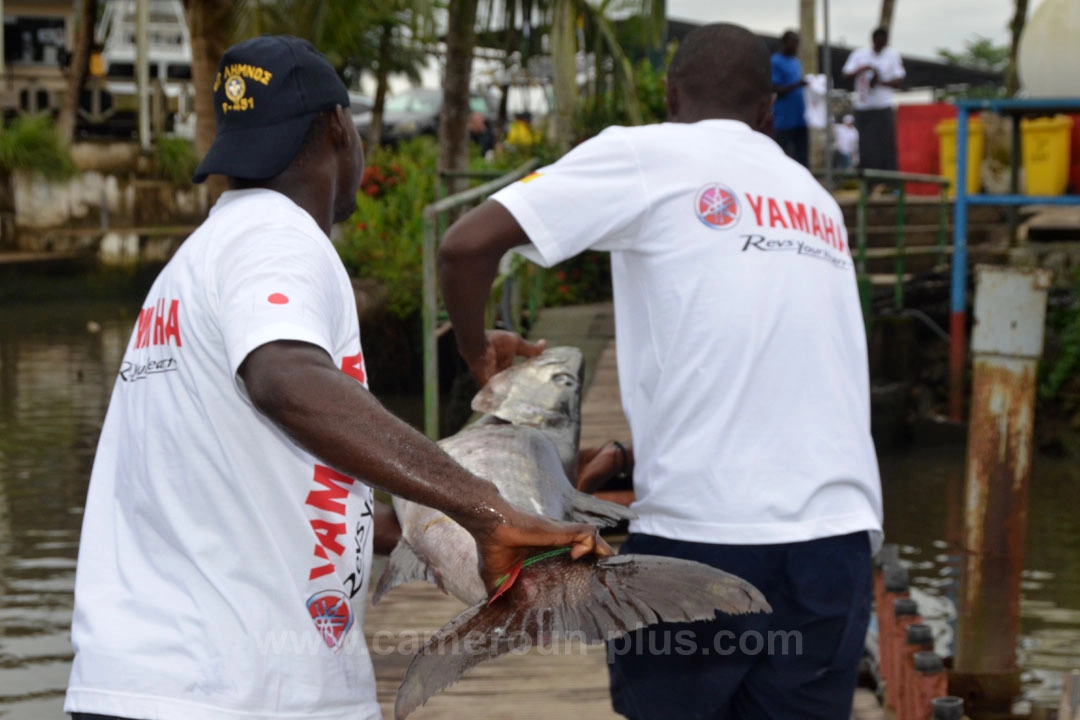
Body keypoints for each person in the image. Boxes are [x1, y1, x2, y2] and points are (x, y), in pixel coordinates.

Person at [63, 35, 609, 720]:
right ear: (338, 128)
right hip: (238, 693)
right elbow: (284, 381)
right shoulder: (278, 236)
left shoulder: (196, 261)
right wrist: (483, 506)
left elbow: (274, 478)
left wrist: (427, 528)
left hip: (149, 685)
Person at [437, 22, 883, 720]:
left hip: (703, 541)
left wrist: (476, 353)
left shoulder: (645, 153)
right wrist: (627, 455)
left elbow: (464, 247)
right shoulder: (815, 198)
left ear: (670, 94)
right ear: (768, 114)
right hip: (838, 539)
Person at [842, 27, 905, 171]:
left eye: (882, 43)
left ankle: (889, 179)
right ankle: (868, 181)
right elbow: (846, 74)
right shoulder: (860, 55)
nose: (879, 46)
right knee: (866, 145)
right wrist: (863, 70)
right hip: (864, 107)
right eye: (877, 42)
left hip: (883, 106)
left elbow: (899, 79)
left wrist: (879, 81)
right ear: (873, 40)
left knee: (886, 144)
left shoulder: (892, 55)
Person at [771, 30, 809, 167]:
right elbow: (775, 88)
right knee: (784, 156)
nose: (796, 47)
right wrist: (797, 84)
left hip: (800, 119)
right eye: (793, 43)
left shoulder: (796, 62)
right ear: (784, 43)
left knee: (802, 158)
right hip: (784, 120)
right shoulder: (775, 61)